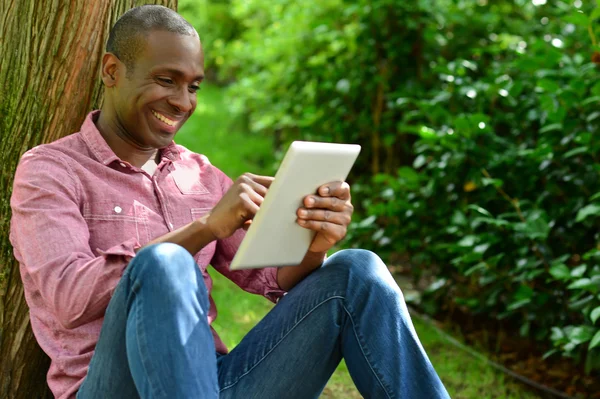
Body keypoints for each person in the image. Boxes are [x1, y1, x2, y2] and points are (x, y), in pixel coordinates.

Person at [9, 5, 450, 399]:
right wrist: (203, 230)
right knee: (164, 264)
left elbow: (275, 280)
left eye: (194, 87)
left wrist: (314, 242)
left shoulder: (198, 174)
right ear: (111, 71)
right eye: (166, 80)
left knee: (357, 270)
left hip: (215, 382)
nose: (182, 102)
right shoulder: (50, 171)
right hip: (114, 387)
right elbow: (67, 298)